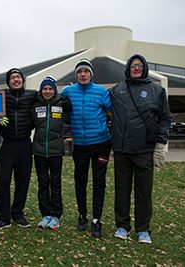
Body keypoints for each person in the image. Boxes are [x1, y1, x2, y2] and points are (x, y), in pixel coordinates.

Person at [110, 54, 172, 244]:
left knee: (144, 191)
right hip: (122, 151)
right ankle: (122, 226)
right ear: (128, 68)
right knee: (122, 190)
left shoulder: (157, 91)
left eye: (139, 65)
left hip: (144, 150)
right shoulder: (116, 90)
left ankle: (143, 229)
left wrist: (160, 145)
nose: (136, 68)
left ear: (144, 68)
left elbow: (165, 118)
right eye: (133, 66)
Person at [60, 59, 112, 238]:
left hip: (101, 144)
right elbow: (59, 109)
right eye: (80, 72)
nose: (83, 74)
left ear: (91, 74)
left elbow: (113, 111)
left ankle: (96, 219)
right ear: (76, 75)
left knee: (99, 181)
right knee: (80, 181)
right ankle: (82, 215)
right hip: (80, 144)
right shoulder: (68, 92)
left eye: (86, 71)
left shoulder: (101, 91)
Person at [0, 68, 37, 229]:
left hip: (25, 144)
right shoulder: (2, 95)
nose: (16, 80)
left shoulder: (32, 95)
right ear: (8, 81)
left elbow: (49, 98)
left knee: (22, 181)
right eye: (12, 78)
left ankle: (17, 213)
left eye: (18, 77)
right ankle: (3, 217)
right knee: (4, 181)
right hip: (7, 144)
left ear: (23, 80)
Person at [31, 76, 71, 230]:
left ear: (54, 91)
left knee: (55, 183)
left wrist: (61, 134)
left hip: (55, 151)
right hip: (39, 150)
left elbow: (69, 120)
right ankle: (45, 214)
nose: (47, 91)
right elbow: (30, 122)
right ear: (41, 91)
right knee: (42, 183)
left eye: (50, 89)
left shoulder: (62, 105)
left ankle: (56, 215)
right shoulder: (35, 106)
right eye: (45, 89)